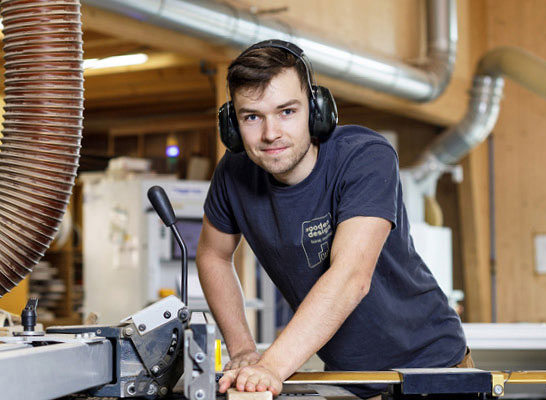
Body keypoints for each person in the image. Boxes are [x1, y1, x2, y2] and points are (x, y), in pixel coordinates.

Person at [199, 40, 468, 399]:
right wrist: (243, 349)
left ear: (317, 108)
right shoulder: (233, 175)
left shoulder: (365, 157)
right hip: (351, 382)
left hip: (432, 371)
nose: (270, 133)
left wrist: (271, 366)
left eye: (287, 111)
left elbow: (351, 277)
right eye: (252, 117)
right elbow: (213, 255)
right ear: (232, 125)